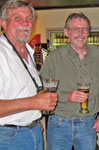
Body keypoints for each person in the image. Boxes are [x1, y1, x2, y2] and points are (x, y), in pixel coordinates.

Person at [40, 13, 99, 150]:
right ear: (66, 32)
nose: (81, 33)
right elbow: (42, 90)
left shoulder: (98, 55)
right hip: (59, 124)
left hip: (88, 124)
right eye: (76, 29)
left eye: (84, 29)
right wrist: (65, 97)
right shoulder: (55, 57)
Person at [0, 0, 58, 150]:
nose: (25, 23)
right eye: (17, 18)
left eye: (29, 18)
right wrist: (34, 103)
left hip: (33, 131)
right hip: (8, 137)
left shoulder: (28, 52)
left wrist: (33, 118)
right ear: (3, 23)